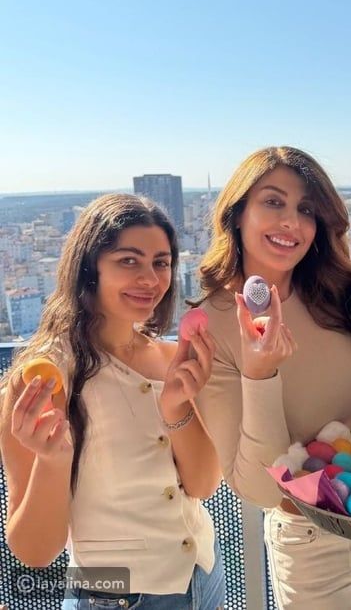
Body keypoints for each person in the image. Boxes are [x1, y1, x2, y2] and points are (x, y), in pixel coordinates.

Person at [193, 146, 351, 610]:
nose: (291, 222)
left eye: (306, 209)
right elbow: (260, 490)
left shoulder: (348, 294)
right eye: (273, 202)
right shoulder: (210, 325)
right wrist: (260, 375)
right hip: (317, 544)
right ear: (237, 213)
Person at [0, 194, 226, 610]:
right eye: (128, 260)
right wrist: (52, 460)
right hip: (113, 596)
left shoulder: (169, 358)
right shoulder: (47, 379)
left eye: (161, 262)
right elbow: (34, 551)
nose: (150, 279)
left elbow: (203, 486)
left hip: (204, 580)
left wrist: (177, 409)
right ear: (90, 268)